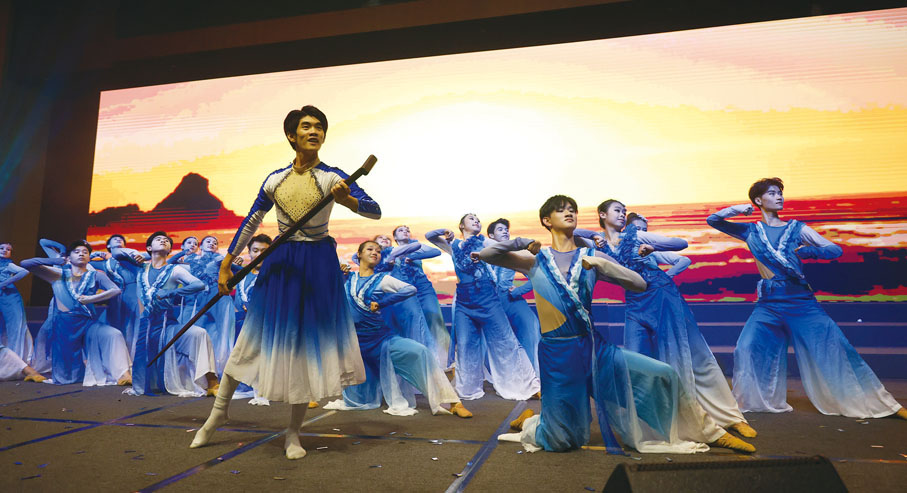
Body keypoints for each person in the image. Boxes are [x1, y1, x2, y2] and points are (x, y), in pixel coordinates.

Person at [483, 195, 755, 454]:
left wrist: (603, 265)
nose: (569, 213)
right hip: (556, 355)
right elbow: (487, 255)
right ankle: (532, 422)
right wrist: (519, 241)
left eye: (573, 210)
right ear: (546, 220)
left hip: (594, 349)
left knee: (662, 374)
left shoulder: (591, 255)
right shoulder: (535, 261)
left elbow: (639, 283)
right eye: (561, 209)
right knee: (562, 440)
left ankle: (710, 432)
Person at [191, 105, 381, 460]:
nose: (314, 131)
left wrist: (349, 200)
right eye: (306, 126)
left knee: (303, 350)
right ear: (292, 135)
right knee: (250, 340)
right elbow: (252, 220)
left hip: (318, 265)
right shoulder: (275, 179)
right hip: (281, 263)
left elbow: (375, 210)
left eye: (320, 127)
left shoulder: (333, 177)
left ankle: (293, 432)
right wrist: (227, 264)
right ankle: (218, 413)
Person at [707, 177, 907, 420]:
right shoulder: (750, 231)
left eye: (780, 193)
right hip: (768, 305)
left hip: (800, 302)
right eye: (772, 193)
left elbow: (834, 250)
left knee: (835, 347)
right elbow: (713, 220)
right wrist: (736, 210)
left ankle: (882, 403)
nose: (779, 197)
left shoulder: (796, 229)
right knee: (746, 347)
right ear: (758, 200)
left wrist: (808, 251)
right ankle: (756, 402)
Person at [574, 200, 755, 438]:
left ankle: (731, 418)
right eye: (617, 210)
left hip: (663, 296)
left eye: (624, 211)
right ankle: (657, 421)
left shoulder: (636, 236)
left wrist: (652, 248)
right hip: (635, 304)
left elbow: (681, 243)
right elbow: (573, 234)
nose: (622, 214)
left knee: (696, 356)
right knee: (637, 360)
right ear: (602, 214)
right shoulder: (596, 245)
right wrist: (596, 235)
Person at [325, 240, 472, 417]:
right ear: (359, 255)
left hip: (380, 341)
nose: (375, 252)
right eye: (370, 249)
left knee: (420, 352)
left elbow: (409, 289)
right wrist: (339, 275)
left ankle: (453, 402)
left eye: (378, 251)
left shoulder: (382, 279)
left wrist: (382, 303)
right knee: (359, 399)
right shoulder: (348, 277)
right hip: (356, 346)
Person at [426, 214, 540, 401]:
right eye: (471, 218)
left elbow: (506, 245)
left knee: (505, 341)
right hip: (464, 301)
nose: (476, 221)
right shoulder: (454, 245)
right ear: (461, 225)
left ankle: (526, 384)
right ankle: (468, 389)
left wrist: (525, 243)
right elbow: (430, 236)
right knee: (465, 345)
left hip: (487, 298)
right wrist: (444, 231)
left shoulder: (484, 242)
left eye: (478, 219)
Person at [113, 232, 219, 397]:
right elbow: (116, 253)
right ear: (149, 248)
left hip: (167, 324)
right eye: (158, 239)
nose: (163, 240)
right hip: (146, 326)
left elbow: (198, 284)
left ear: (170, 250)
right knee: (144, 381)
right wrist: (135, 253)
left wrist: (170, 293)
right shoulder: (140, 268)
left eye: (166, 241)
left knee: (199, 333)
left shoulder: (174, 269)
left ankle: (212, 382)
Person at [22, 240, 132, 386]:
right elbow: (26, 263)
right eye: (77, 252)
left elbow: (116, 290)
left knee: (113, 334)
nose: (81, 254)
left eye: (85, 252)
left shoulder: (96, 275)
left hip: (88, 323)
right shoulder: (57, 274)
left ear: (89, 257)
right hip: (64, 324)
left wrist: (92, 298)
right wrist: (57, 260)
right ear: (69, 257)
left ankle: (124, 374)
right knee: (65, 377)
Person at [169, 235, 236, 375]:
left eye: (215, 242)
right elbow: (170, 263)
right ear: (201, 245)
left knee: (223, 331)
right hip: (198, 300)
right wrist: (185, 252)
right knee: (195, 331)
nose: (212, 243)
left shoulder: (219, 258)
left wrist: (232, 263)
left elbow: (238, 268)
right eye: (208, 241)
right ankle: (196, 369)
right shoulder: (192, 260)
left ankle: (223, 369)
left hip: (218, 297)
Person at [486, 218, 541, 378]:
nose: (505, 231)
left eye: (506, 229)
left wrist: (518, 291)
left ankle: (533, 380)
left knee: (528, 338)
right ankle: (510, 380)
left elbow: (537, 276)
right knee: (501, 345)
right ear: (491, 236)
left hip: (512, 303)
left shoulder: (515, 254)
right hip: (493, 306)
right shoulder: (484, 256)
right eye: (500, 229)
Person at [390, 225, 450, 368]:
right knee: (413, 322)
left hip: (423, 287)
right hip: (405, 290)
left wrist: (413, 256)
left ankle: (442, 360)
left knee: (434, 317)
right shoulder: (392, 251)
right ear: (395, 237)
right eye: (400, 230)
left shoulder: (417, 247)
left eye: (407, 230)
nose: (405, 231)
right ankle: (419, 359)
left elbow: (436, 251)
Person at [90, 234, 142, 356]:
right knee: (117, 324)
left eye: (121, 239)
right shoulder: (105, 263)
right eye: (114, 239)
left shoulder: (130, 257)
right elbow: (86, 262)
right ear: (108, 245)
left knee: (134, 325)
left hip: (133, 293)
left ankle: (134, 357)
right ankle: (118, 356)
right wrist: (95, 254)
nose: (118, 239)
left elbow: (148, 256)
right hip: (116, 296)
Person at [626, 213, 691, 278]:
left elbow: (685, 260)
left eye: (644, 230)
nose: (641, 232)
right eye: (637, 229)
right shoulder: (621, 250)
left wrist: (666, 277)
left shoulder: (651, 252)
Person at [0, 242, 34, 366]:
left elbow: (24, 272)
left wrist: (5, 283)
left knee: (15, 327)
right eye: (2, 248)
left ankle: (15, 361)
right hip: (2, 297)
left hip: (10, 297)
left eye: (8, 249)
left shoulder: (8, 265)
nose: (4, 250)